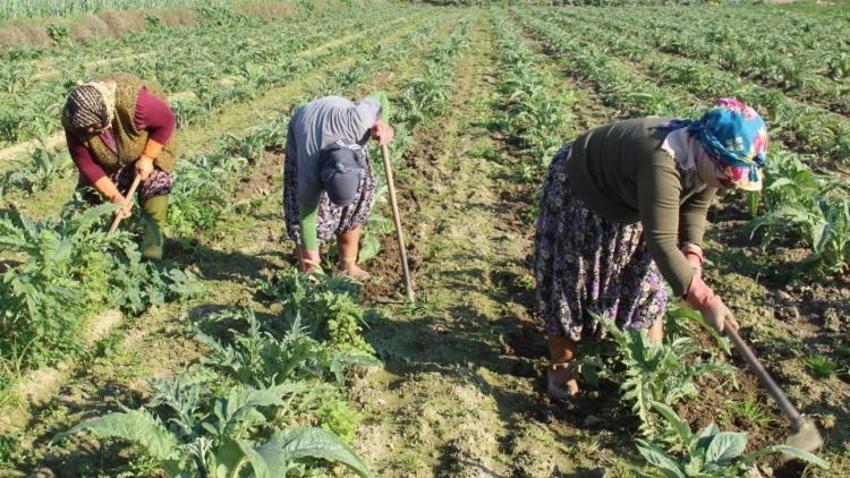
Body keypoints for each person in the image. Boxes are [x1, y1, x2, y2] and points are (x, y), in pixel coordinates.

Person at [533, 98, 768, 400]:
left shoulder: (706, 160)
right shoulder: (663, 161)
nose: (730, 185)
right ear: (708, 151)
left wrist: (693, 255)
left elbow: (695, 209)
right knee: (571, 283)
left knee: (647, 286)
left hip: (632, 199)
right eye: (727, 176)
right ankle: (561, 369)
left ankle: (650, 375)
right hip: (583, 188)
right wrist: (704, 298)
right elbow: (662, 242)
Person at [62, 72, 177, 260]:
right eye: (85, 129)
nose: (90, 131)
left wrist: (148, 157)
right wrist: (114, 197)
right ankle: (85, 252)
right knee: (89, 196)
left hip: (149, 141)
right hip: (109, 157)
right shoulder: (73, 122)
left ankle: (152, 251)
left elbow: (166, 121)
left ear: (105, 112)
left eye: (94, 125)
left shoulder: (134, 102)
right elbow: (86, 164)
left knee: (156, 182)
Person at [283, 93, 394, 279]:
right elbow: (306, 217)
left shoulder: (360, 121)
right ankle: (308, 269)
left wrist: (383, 121)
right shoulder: (309, 168)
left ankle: (348, 264)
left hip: (344, 125)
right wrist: (313, 263)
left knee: (355, 209)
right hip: (306, 125)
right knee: (305, 211)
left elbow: (381, 96)